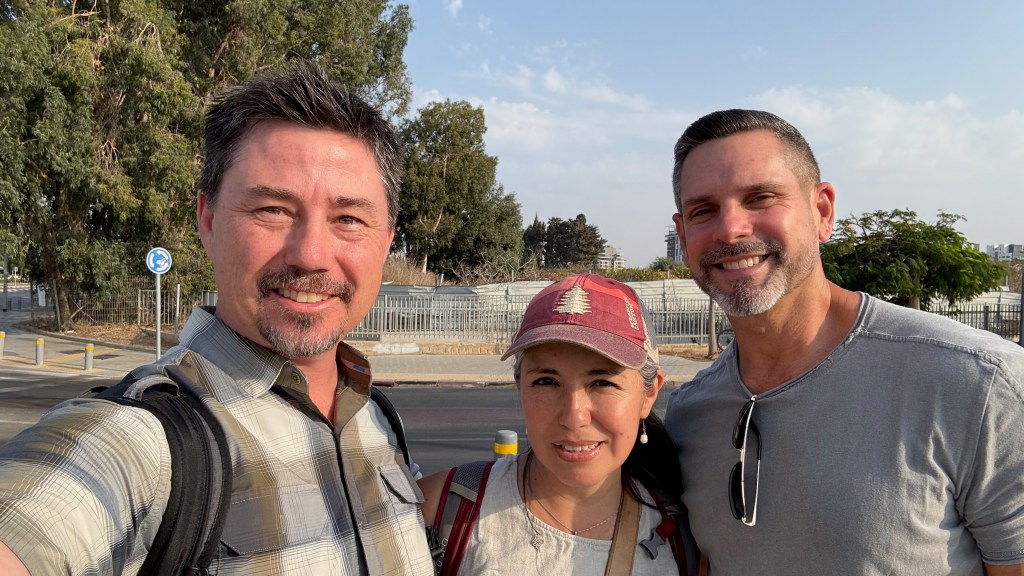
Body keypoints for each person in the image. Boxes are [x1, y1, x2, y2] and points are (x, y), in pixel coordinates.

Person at [0, 62, 433, 575]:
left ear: (385, 242)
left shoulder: (379, 418)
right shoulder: (143, 441)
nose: (312, 254)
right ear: (207, 220)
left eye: (349, 219)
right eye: (272, 209)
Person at [665, 108, 1024, 575]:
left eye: (761, 197)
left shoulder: (975, 382)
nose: (731, 228)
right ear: (683, 233)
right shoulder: (690, 413)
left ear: (822, 211)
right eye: (703, 210)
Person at [419, 273, 698, 575]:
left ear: (649, 394)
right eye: (547, 381)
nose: (573, 416)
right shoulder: (442, 509)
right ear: (520, 387)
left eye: (602, 382)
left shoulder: (683, 539)